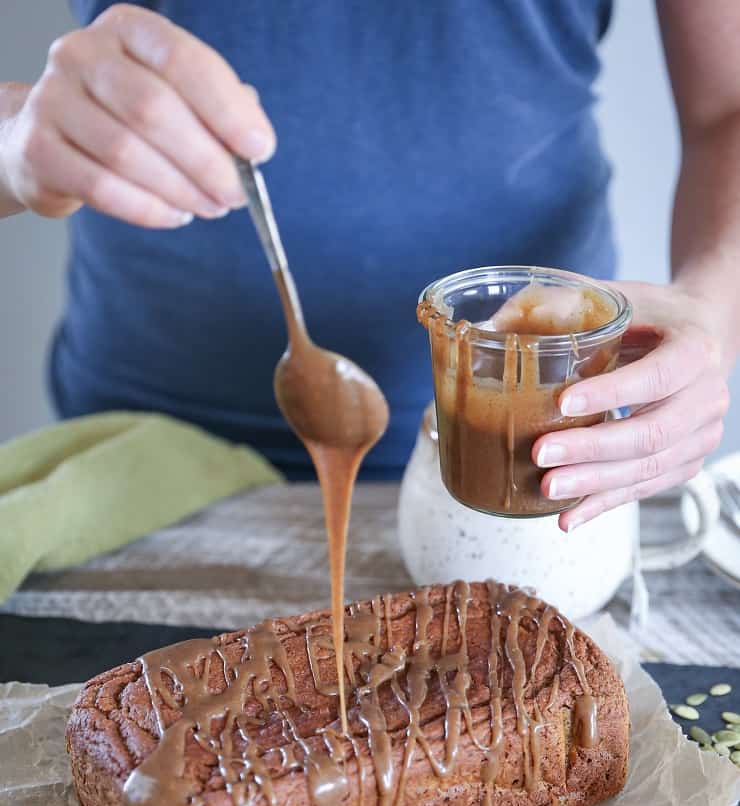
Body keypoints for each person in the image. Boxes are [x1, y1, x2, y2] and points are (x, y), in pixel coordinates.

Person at [0, 1, 734, 531]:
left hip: (543, 470)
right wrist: (14, 138)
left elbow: (728, 109)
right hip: (129, 470)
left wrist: (708, 309)